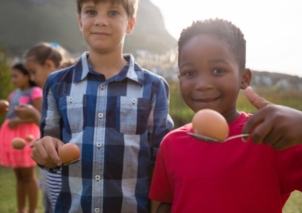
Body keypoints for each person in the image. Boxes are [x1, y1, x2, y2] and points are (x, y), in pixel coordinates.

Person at [149, 18, 302, 213]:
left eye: (218, 70)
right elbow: (165, 204)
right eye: (189, 73)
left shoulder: (269, 138)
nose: (203, 83)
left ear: (244, 78)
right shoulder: (171, 144)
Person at [30, 0, 174, 213]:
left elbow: (159, 165)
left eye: (113, 12)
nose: (100, 21)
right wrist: (45, 152)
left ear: (130, 24)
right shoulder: (57, 83)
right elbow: (49, 152)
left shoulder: (153, 87)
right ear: (80, 21)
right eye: (91, 12)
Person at [15, 42, 74, 213]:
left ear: (48, 65)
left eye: (33, 72)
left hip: (62, 177)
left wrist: (34, 115)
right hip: (51, 175)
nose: (32, 79)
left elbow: (63, 130)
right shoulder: (52, 91)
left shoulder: (67, 90)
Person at [0, 63, 42, 213]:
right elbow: (9, 111)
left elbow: (40, 115)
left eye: (16, 76)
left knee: (28, 175)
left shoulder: (35, 92)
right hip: (11, 134)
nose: (13, 79)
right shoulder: (14, 94)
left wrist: (19, 121)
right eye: (12, 76)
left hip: (26, 136)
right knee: (18, 175)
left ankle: (32, 210)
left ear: (27, 76)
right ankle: (21, 210)